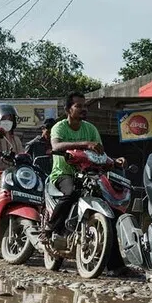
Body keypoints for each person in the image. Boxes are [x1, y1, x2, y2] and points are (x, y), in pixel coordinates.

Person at [47, 92, 104, 243]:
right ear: (67, 110)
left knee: (105, 197)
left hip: (87, 175)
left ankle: (114, 263)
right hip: (63, 173)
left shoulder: (91, 129)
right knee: (71, 192)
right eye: (78, 106)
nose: (83, 109)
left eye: (85, 106)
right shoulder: (59, 127)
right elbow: (56, 146)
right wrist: (85, 144)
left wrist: (116, 160)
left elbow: (101, 151)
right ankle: (50, 228)